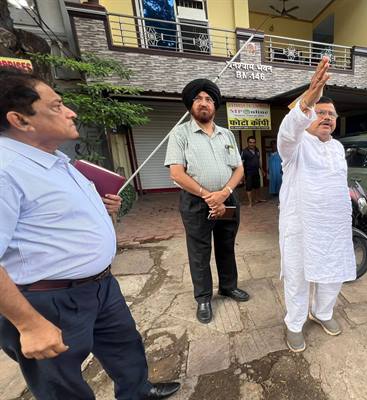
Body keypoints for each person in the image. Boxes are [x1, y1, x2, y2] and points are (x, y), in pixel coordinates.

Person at [0, 68, 179, 399]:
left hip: (100, 286)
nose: (71, 112)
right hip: (48, 300)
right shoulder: (5, 170)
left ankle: (138, 393)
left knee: (125, 349)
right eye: (57, 106)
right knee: (62, 384)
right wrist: (28, 324)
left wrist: (100, 209)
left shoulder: (56, 160)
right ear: (20, 120)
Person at [277, 57, 356, 353]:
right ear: (309, 115)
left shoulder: (337, 147)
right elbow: (287, 131)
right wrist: (309, 98)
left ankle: (322, 312)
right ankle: (295, 323)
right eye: (320, 112)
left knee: (332, 273)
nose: (327, 117)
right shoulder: (295, 145)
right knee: (297, 276)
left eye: (332, 114)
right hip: (301, 225)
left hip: (333, 226)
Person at [165, 78, 249, 324]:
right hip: (196, 202)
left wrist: (224, 193)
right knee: (199, 251)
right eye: (198, 98)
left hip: (227, 199)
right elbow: (176, 173)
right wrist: (208, 195)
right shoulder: (180, 134)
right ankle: (203, 298)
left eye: (209, 99)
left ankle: (228, 286)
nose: (204, 103)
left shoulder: (227, 134)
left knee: (226, 244)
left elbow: (239, 168)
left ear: (215, 105)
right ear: (191, 105)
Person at [241, 136, 265, 206]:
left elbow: (258, 160)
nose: (252, 144)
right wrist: (242, 174)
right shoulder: (244, 152)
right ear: (248, 143)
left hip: (256, 171)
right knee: (249, 187)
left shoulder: (257, 150)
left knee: (257, 186)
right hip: (248, 172)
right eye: (250, 142)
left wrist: (262, 170)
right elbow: (241, 163)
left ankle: (257, 199)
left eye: (254, 142)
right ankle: (250, 202)